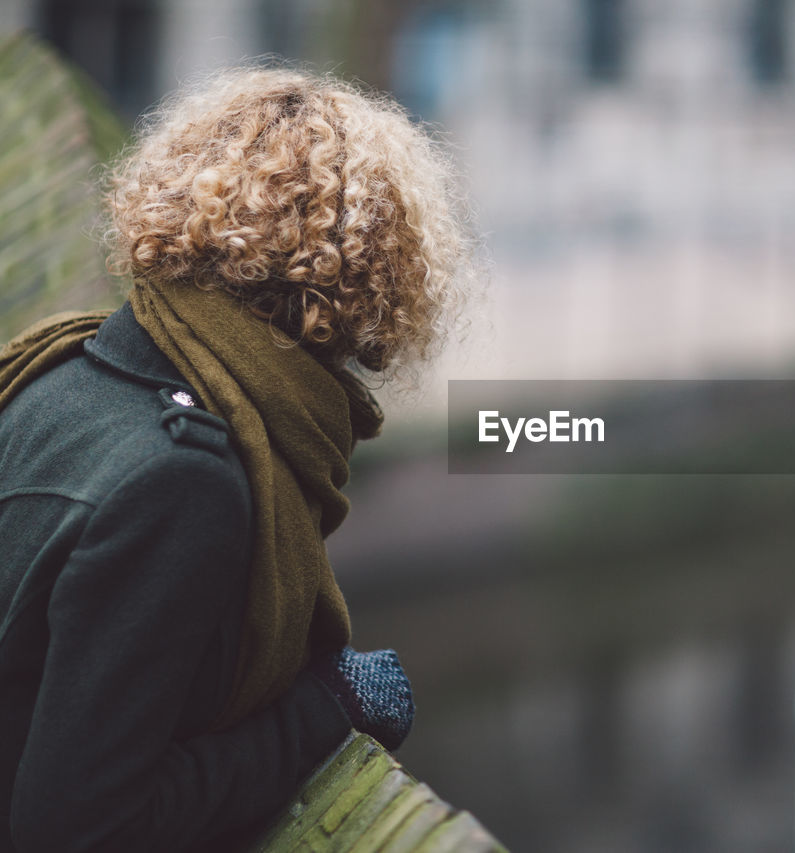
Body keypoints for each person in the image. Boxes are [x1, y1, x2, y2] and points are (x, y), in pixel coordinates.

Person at [0, 65, 473, 852]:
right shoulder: (184, 483)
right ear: (365, 291)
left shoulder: (65, 367)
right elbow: (80, 827)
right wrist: (329, 710)